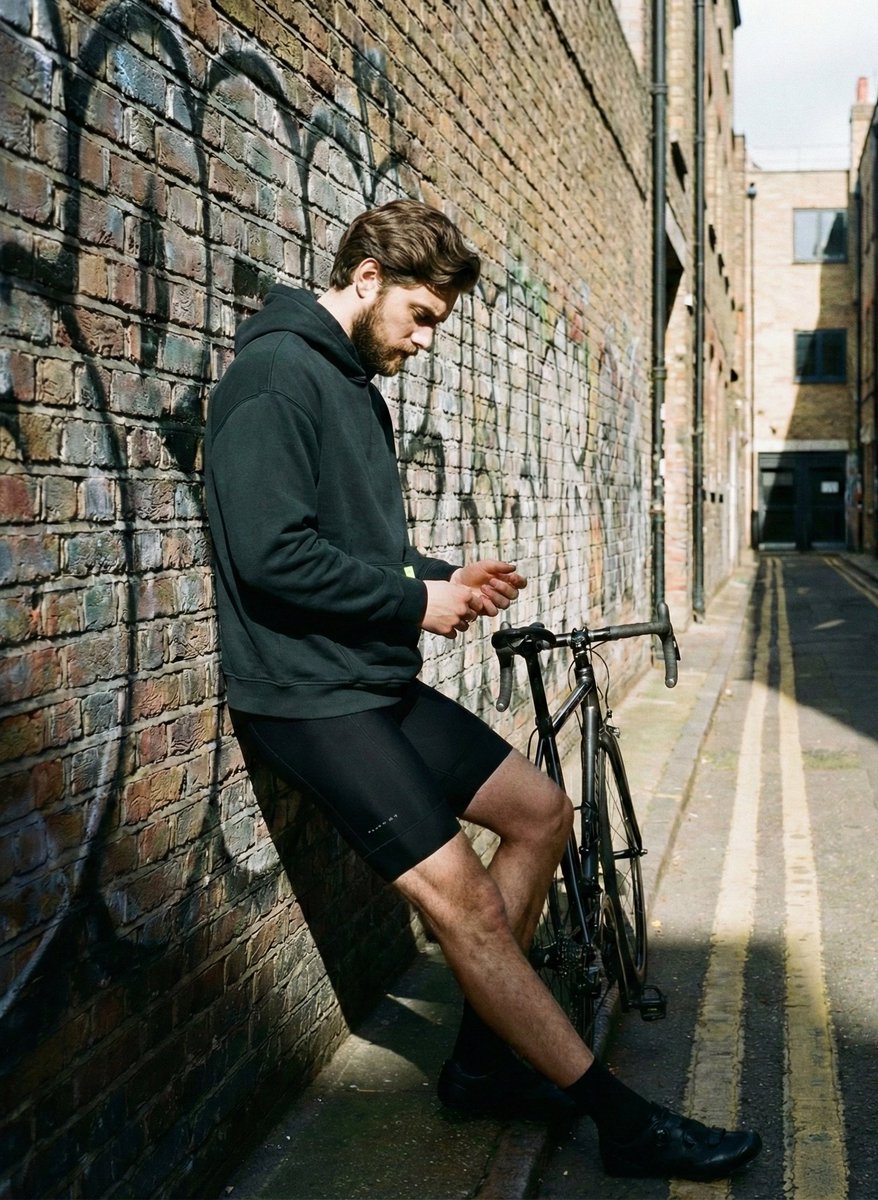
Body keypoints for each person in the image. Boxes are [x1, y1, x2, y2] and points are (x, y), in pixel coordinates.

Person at [203, 199, 761, 1181]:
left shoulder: (354, 388)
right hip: (307, 699)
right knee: (468, 908)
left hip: (368, 679)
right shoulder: (275, 378)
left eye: (438, 325)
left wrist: (442, 577)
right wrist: (410, 599)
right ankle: (623, 1122)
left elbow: (356, 549)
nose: (424, 342)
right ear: (365, 278)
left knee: (541, 813)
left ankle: (476, 1062)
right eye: (419, 316)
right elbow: (268, 555)